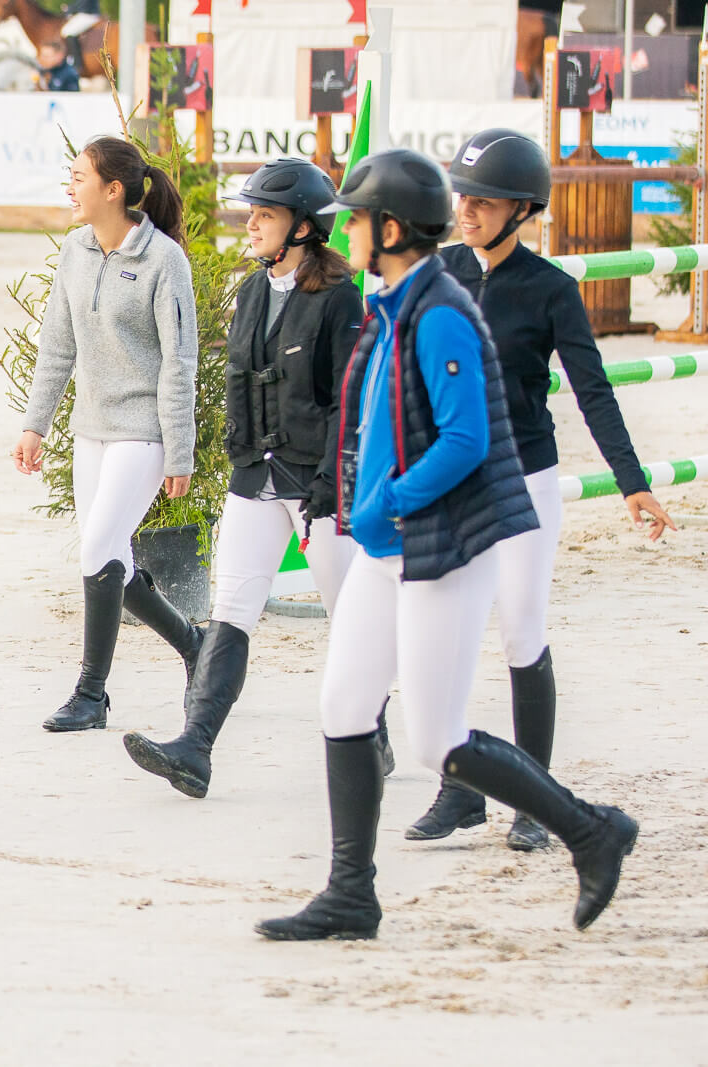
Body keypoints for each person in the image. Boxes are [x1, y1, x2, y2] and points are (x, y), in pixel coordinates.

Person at [256, 149, 638, 941]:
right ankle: (351, 893)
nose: (345, 231)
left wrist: (387, 500)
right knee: (343, 704)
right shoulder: (395, 299)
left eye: (356, 219)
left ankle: (593, 829)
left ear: (389, 228)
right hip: (384, 545)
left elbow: (464, 440)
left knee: (435, 738)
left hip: (441, 548)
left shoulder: (442, 313)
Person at [404, 129, 676, 849]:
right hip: (449, 481)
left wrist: (632, 482)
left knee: (521, 627)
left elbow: (592, 391)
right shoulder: (439, 272)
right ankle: (460, 792)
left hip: (524, 478)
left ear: (522, 209)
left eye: (484, 201)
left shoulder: (551, 290)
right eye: (463, 197)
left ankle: (534, 800)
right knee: (455, 634)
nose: (467, 211)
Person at [122, 157, 376, 798]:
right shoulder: (254, 290)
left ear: (303, 227)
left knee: (351, 613)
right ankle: (195, 748)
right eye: (253, 212)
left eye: (266, 214)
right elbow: (239, 382)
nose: (253, 223)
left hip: (318, 485)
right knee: (230, 611)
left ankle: (372, 728)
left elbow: (351, 398)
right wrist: (237, 457)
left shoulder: (340, 298)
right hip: (255, 478)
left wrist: (330, 482)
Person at [13, 136, 202, 733]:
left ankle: (91, 694)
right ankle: (195, 645)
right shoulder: (74, 250)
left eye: (78, 177)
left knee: (98, 553)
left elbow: (180, 360)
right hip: (91, 430)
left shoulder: (164, 260)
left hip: (142, 432)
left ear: (113, 190)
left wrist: (180, 448)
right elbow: (58, 345)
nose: (69, 187)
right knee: (110, 556)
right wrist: (35, 424)